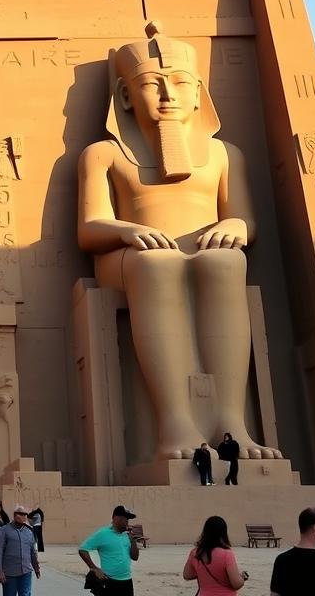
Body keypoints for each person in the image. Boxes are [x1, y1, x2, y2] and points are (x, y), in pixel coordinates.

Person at [77, 23, 281, 461]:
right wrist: (127, 231)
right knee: (159, 264)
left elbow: (244, 218)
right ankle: (175, 422)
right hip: (128, 258)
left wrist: (240, 228)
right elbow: (90, 226)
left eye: (180, 84)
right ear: (127, 97)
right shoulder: (104, 153)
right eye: (153, 85)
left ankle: (231, 422)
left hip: (201, 252)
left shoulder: (225, 154)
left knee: (226, 263)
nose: (168, 96)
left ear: (197, 94)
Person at [78, 505, 139, 596]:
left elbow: (135, 557)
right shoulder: (103, 534)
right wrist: (94, 568)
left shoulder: (126, 535)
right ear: (116, 518)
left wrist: (133, 541)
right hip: (110, 582)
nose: (127, 522)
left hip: (127, 581)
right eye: (125, 518)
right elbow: (83, 549)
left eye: (128, 519)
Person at [181, 516, 246, 596]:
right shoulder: (227, 554)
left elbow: (187, 575)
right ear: (223, 533)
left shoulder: (195, 553)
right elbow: (236, 584)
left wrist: (202, 572)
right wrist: (243, 578)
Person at [0, 505, 42, 596]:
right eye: (21, 514)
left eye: (25, 514)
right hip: (9, 573)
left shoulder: (29, 532)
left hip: (26, 571)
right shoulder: (4, 531)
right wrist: (0, 571)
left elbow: (32, 552)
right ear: (15, 515)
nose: (24, 516)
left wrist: (36, 567)